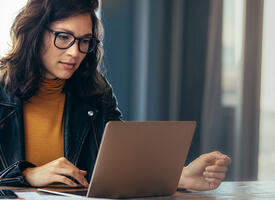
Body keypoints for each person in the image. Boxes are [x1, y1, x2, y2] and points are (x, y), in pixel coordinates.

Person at [0, 0, 231, 191]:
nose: (74, 52)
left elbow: (120, 163)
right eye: (63, 37)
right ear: (35, 34)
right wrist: (27, 175)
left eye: (84, 41)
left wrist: (181, 175)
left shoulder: (95, 92)